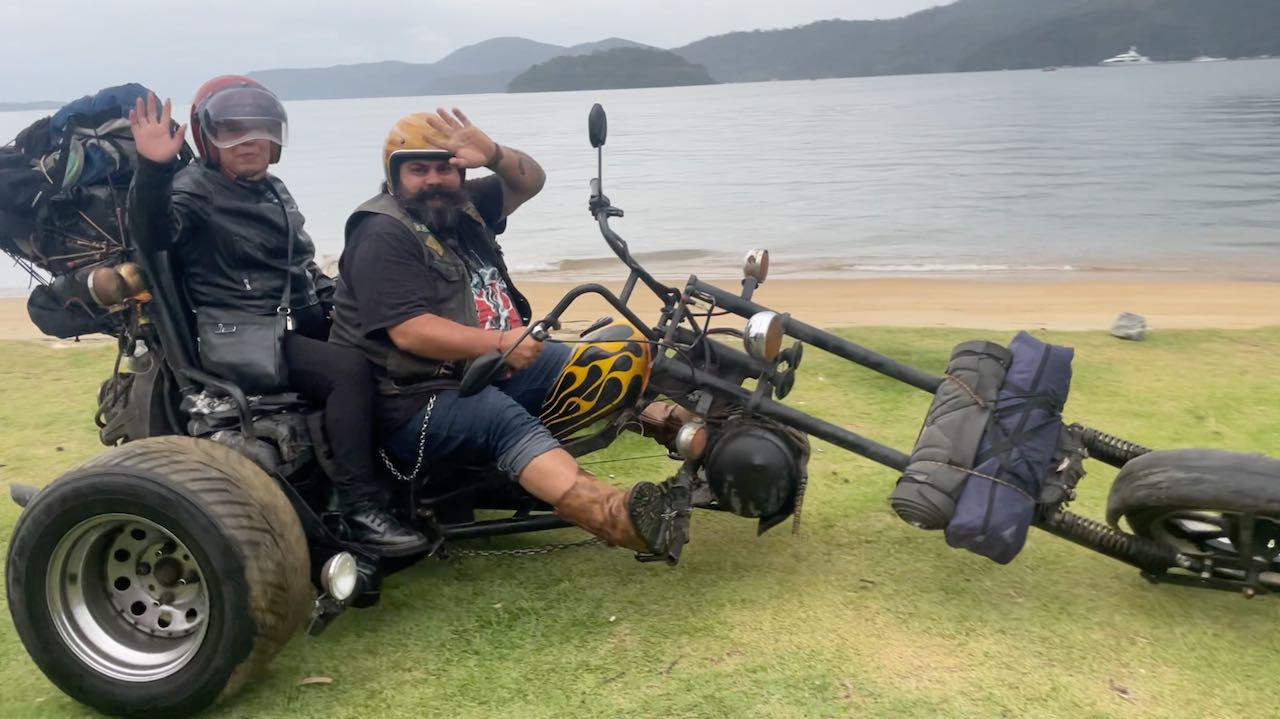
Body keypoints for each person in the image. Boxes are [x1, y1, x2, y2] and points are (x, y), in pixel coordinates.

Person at [330, 109, 679, 555]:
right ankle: (616, 516)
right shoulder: (382, 231)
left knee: (603, 362)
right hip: (412, 399)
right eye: (418, 169)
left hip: (485, 368)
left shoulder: (459, 206)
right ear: (394, 176)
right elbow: (410, 333)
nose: (434, 179)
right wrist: (501, 343)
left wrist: (493, 153)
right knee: (502, 421)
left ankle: (695, 440)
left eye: (444, 167)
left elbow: (530, 181)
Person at [127, 77, 429, 555]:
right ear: (207, 138)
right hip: (243, 336)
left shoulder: (272, 188)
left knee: (389, 340)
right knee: (347, 371)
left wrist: (353, 300)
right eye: (233, 131)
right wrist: (154, 168)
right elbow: (154, 234)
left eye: (261, 129)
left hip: (292, 323)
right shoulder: (194, 189)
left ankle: (412, 472)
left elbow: (300, 268)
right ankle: (360, 509)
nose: (250, 142)